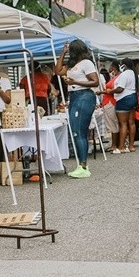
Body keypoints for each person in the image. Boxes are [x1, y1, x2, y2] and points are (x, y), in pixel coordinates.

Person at [55, 39, 99, 178]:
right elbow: (57, 71)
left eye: (71, 50)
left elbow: (95, 81)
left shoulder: (87, 63)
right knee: (76, 131)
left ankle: (83, 166)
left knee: (79, 131)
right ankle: (82, 164)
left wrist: (75, 82)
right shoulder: (72, 64)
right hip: (74, 96)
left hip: (84, 96)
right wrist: (63, 52)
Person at [110, 58, 139, 153]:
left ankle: (121, 147)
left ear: (124, 66)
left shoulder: (124, 75)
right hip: (133, 98)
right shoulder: (135, 75)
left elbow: (120, 89)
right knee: (131, 123)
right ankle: (131, 146)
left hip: (123, 99)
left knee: (123, 124)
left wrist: (110, 91)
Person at [97, 60, 122, 154]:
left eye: (111, 66)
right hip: (109, 101)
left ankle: (114, 145)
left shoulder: (117, 78)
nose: (109, 67)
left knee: (112, 123)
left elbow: (112, 90)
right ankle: (115, 144)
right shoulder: (116, 77)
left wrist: (102, 92)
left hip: (110, 102)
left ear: (114, 66)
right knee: (113, 123)